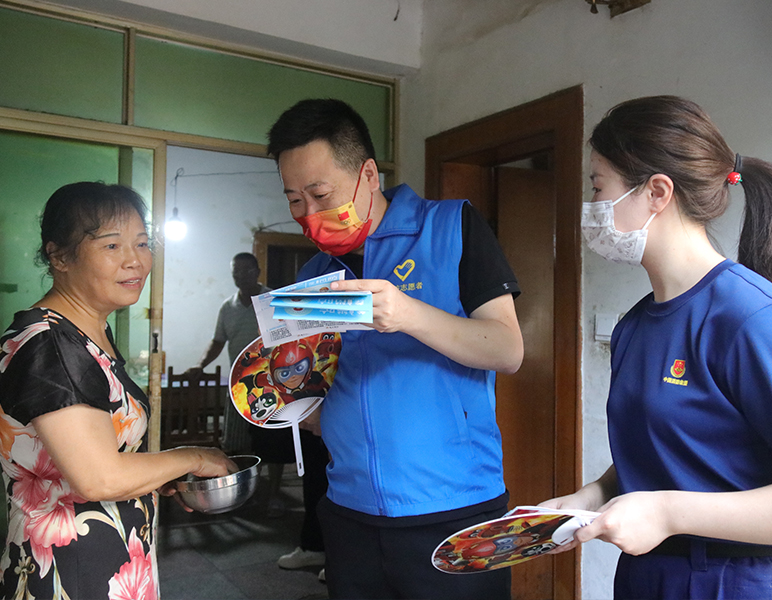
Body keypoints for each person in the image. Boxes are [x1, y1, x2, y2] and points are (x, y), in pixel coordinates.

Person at [541, 95, 772, 599]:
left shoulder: (751, 319)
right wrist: (591, 497)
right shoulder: (636, 325)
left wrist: (667, 512)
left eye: (598, 186)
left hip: (738, 581)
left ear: (657, 192)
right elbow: (666, 452)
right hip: (650, 577)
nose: (590, 207)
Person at [267, 99, 524, 600]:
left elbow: (507, 349)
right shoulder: (314, 275)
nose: (310, 216)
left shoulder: (452, 227)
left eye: (320, 194)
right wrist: (294, 400)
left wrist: (408, 314)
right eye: (295, 200)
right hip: (349, 512)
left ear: (368, 175)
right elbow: (313, 389)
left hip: (455, 509)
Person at [0, 182, 235, 600]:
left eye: (142, 243)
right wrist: (195, 457)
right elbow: (99, 477)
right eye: (111, 246)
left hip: (109, 560)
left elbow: (102, 453)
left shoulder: (89, 332)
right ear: (59, 256)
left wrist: (155, 475)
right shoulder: (50, 342)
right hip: (70, 571)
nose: (135, 260)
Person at [188, 252, 291, 516]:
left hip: (271, 384)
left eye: (246, 271)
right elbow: (218, 341)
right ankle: (245, 494)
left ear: (258, 272)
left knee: (273, 442)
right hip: (240, 385)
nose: (240, 276)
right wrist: (200, 365)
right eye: (236, 272)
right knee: (238, 442)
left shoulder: (273, 301)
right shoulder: (228, 307)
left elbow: (291, 339)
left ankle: (274, 494)